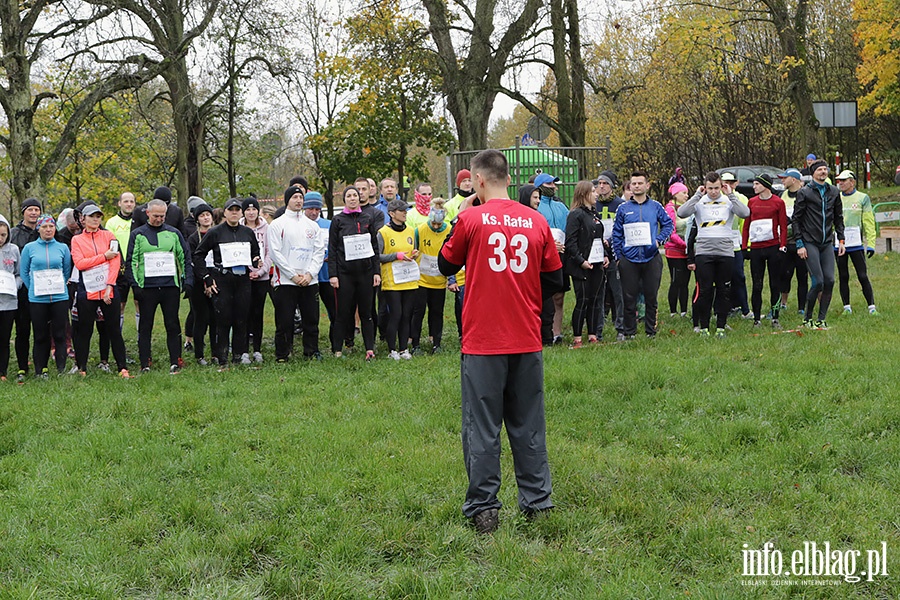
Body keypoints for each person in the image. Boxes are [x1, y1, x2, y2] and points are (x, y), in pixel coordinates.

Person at [438, 149, 563, 534]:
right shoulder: (536, 220)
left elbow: (445, 264)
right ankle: (538, 502)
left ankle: (484, 508)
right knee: (528, 424)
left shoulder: (469, 218)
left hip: (483, 340)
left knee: (482, 426)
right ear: (509, 179)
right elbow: (556, 280)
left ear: (477, 181)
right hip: (526, 336)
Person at [678, 172, 750, 336]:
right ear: (705, 187)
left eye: (716, 188)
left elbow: (745, 213)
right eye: (710, 188)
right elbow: (682, 213)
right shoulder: (700, 201)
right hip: (704, 251)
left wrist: (730, 195)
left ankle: (721, 326)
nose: (713, 192)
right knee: (705, 290)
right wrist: (697, 195)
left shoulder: (727, 201)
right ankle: (704, 326)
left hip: (725, 250)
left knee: (724, 290)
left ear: (721, 186)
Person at [126, 199, 193, 373]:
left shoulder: (173, 233)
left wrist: (187, 280)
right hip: (147, 287)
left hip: (169, 286)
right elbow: (131, 261)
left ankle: (175, 359)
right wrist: (135, 285)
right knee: (145, 325)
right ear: (147, 214)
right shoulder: (138, 234)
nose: (159, 219)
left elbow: (184, 257)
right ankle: (145, 362)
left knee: (172, 324)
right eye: (156, 216)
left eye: (162, 216)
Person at [194, 198, 262, 367]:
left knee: (241, 318)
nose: (234, 212)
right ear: (224, 212)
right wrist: (206, 277)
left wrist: (256, 260)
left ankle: (239, 355)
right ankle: (221, 356)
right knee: (223, 319)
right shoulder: (216, 232)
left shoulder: (247, 232)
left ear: (241, 213)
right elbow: (199, 255)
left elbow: (255, 252)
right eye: (231, 210)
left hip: (242, 279)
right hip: (222, 279)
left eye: (237, 210)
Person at [69, 204, 131, 377]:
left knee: (114, 330)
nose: (95, 220)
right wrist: (103, 257)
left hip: (108, 290)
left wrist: (110, 286)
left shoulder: (109, 236)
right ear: (84, 219)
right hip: (87, 291)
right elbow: (80, 263)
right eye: (92, 216)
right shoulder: (77, 240)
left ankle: (122, 367)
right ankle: (82, 368)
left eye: (98, 217)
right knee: (84, 330)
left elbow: (115, 262)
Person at [612, 170, 674, 339]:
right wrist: (619, 256)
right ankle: (629, 332)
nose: (637, 186)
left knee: (651, 296)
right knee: (628, 296)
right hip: (629, 259)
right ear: (630, 187)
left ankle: (650, 331)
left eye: (640, 183)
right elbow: (616, 234)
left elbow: (668, 225)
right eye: (634, 184)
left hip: (651, 256)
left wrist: (659, 240)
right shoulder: (623, 208)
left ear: (647, 186)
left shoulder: (656, 206)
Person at [267, 186, 326, 362]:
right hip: (286, 281)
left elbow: (319, 251)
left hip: (309, 280)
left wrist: (309, 274)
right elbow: (275, 253)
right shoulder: (278, 224)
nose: (298, 201)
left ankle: (311, 351)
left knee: (311, 319)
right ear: (287, 200)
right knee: (285, 321)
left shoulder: (312, 226)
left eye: (301, 198)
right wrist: (292, 275)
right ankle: (283, 354)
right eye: (295, 197)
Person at [328, 186, 381, 360]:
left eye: (355, 196)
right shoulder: (338, 220)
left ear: (359, 198)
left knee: (367, 313)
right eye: (349, 196)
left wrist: (376, 272)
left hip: (365, 274)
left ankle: (370, 349)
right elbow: (333, 249)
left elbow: (374, 247)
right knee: (343, 313)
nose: (352, 198)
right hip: (345, 275)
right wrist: (333, 275)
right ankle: (338, 349)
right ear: (344, 200)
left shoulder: (367, 218)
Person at [793, 160, 845, 329]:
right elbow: (796, 220)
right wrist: (800, 244)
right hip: (809, 242)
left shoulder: (834, 192)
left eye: (825, 169)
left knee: (829, 280)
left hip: (827, 243)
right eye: (819, 170)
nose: (823, 172)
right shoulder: (805, 192)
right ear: (813, 173)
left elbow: (838, 218)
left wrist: (841, 240)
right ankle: (807, 318)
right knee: (818, 282)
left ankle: (821, 319)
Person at [20, 214, 72, 377]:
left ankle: (61, 369)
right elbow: (24, 272)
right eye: (44, 227)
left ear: (55, 228)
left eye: (51, 226)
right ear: (38, 229)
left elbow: (66, 270)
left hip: (59, 297)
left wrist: (59, 285)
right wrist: (33, 288)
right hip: (38, 298)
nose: (48, 230)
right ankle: (40, 369)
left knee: (59, 334)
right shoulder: (30, 248)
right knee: (40, 334)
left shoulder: (62, 247)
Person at [565, 180, 610, 347]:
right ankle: (577, 337)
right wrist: (580, 260)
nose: (596, 194)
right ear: (584, 194)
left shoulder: (595, 214)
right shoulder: (575, 215)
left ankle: (592, 335)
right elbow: (570, 242)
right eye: (593, 191)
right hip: (581, 265)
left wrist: (605, 255)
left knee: (595, 300)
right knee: (582, 300)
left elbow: (598, 238)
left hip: (597, 263)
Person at [742, 174, 788, 328]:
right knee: (757, 284)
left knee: (774, 284)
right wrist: (744, 246)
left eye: (756, 184)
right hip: (756, 248)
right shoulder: (751, 202)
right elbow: (746, 225)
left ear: (765, 185)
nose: (754, 187)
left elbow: (783, 225)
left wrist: (782, 246)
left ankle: (775, 318)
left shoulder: (778, 202)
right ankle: (756, 319)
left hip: (773, 247)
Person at [378, 198, 419, 360]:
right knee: (396, 314)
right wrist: (396, 256)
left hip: (408, 278)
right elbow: (377, 256)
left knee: (406, 314)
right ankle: (392, 349)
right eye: (402, 211)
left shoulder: (410, 230)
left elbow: (413, 249)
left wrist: (412, 254)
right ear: (392, 214)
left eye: (406, 210)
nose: (405, 213)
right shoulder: (383, 232)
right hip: (392, 281)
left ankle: (403, 349)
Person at [410, 197, 451, 354]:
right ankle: (415, 344)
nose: (435, 227)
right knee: (418, 312)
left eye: (438, 225)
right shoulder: (420, 230)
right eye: (433, 224)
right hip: (421, 280)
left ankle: (436, 343)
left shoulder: (448, 231)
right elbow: (414, 248)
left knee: (437, 312)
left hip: (439, 280)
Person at [834, 170, 878, 315]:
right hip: (838, 243)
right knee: (843, 275)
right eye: (839, 180)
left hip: (856, 243)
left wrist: (871, 243)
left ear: (852, 182)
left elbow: (868, 222)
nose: (840, 183)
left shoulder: (862, 198)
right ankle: (846, 307)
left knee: (862, 275)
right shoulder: (835, 197)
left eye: (843, 180)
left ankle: (871, 307)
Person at [534, 173, 569, 345]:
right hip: (541, 257)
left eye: (554, 184)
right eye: (549, 184)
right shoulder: (536, 207)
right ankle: (541, 331)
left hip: (561, 254)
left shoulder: (561, 207)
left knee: (559, 295)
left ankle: (557, 333)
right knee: (543, 296)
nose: (554, 187)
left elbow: (570, 226)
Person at [10, 198, 42, 382]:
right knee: (22, 329)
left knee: (40, 328)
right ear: (23, 212)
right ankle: (23, 366)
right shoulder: (13, 234)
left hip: (41, 288)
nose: (34, 213)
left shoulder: (44, 231)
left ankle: (40, 364)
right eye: (30, 209)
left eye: (37, 210)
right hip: (19, 289)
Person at [302, 192, 339, 349]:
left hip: (327, 276)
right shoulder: (299, 225)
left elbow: (338, 246)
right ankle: (311, 348)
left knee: (335, 313)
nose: (314, 212)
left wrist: (331, 255)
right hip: (308, 277)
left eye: (317, 208)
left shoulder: (329, 224)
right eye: (310, 208)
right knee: (311, 316)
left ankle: (336, 345)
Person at [594, 173, 626, 340]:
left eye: (605, 183)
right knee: (599, 293)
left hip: (615, 254)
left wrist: (611, 241)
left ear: (612, 186)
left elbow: (622, 229)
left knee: (618, 292)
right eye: (599, 183)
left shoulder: (620, 205)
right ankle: (597, 329)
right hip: (597, 253)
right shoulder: (594, 204)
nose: (601, 186)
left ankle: (621, 327)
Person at [241, 196, 271, 362]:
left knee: (257, 314)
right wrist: (247, 271)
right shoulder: (238, 227)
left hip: (261, 277)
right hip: (243, 277)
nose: (251, 213)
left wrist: (260, 271)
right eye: (248, 210)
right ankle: (243, 349)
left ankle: (257, 349)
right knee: (243, 313)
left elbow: (269, 252)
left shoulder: (266, 228)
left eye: (254, 209)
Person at [186, 202, 217, 365]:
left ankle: (216, 352)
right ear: (197, 219)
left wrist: (212, 281)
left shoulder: (218, 234)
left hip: (216, 281)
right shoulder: (193, 238)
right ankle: (199, 354)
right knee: (200, 318)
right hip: (199, 283)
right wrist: (204, 280)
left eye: (208, 214)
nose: (206, 218)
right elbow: (193, 261)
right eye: (202, 215)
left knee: (216, 318)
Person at [776, 169, 809, 316]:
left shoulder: (806, 194)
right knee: (784, 274)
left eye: (785, 178)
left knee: (802, 275)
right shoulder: (782, 195)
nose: (782, 181)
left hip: (802, 242)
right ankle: (783, 303)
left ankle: (802, 307)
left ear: (794, 179)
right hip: (785, 242)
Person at [664, 182, 691, 317]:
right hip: (675, 250)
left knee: (685, 282)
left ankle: (684, 311)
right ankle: (673, 311)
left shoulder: (687, 208)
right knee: (676, 281)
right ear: (675, 194)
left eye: (687, 193)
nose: (687, 195)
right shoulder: (670, 209)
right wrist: (685, 245)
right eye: (683, 193)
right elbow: (671, 232)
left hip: (687, 251)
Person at [0, 220, 21, 381]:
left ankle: (3, 372)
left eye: (3, 235)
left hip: (8, 302)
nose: (0, 238)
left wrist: (15, 285)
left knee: (4, 338)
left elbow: (19, 273)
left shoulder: (13, 250)